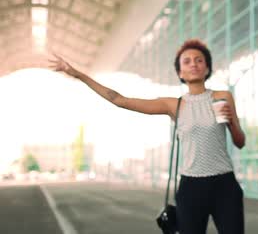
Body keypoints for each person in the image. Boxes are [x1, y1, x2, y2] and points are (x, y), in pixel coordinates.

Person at [50, 38, 246, 234]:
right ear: (180, 72)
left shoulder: (222, 97)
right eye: (187, 61)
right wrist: (77, 75)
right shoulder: (173, 105)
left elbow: (240, 142)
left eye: (199, 60)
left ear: (207, 68)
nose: (193, 64)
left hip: (225, 186)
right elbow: (120, 100)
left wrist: (231, 124)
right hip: (191, 188)